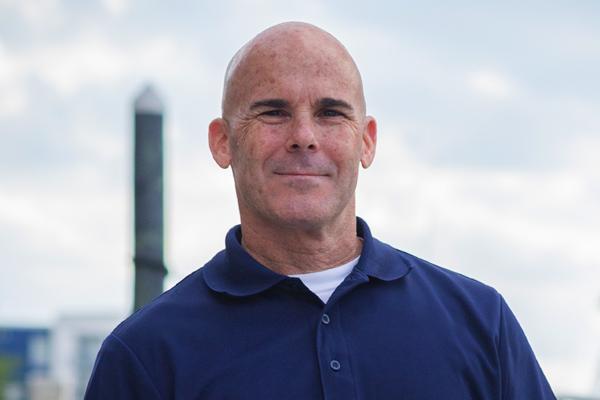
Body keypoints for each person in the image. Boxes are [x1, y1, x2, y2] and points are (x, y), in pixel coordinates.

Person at [85, 22, 555, 399]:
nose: (303, 136)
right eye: (273, 112)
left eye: (331, 113)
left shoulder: (480, 322)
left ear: (366, 141)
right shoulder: (145, 355)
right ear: (223, 141)